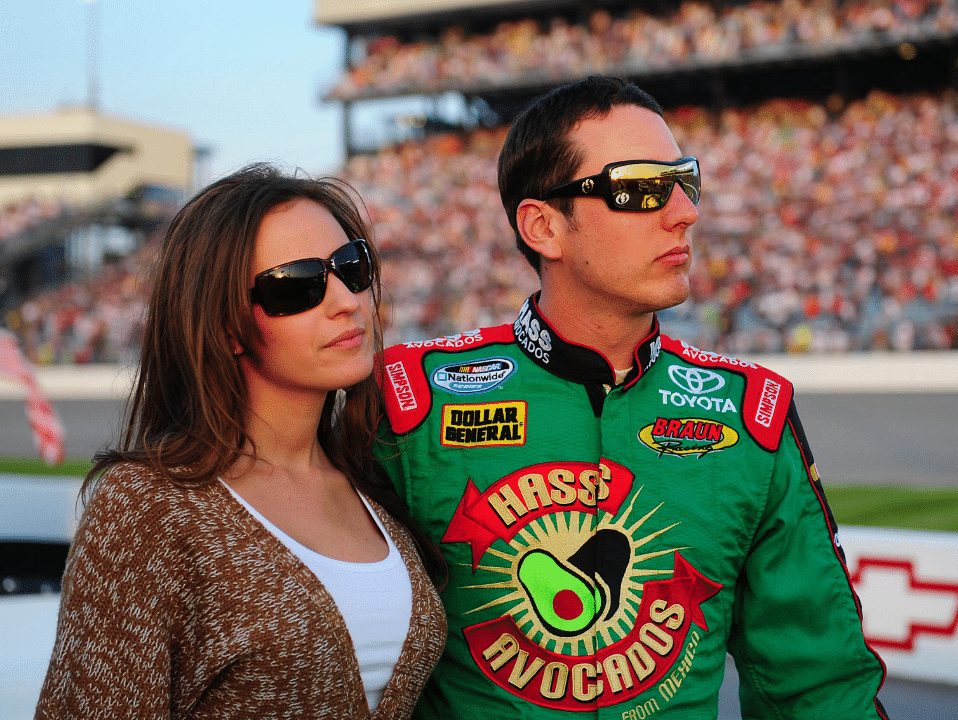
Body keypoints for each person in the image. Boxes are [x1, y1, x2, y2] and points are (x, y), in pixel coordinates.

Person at [379, 77, 889, 717]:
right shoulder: (409, 404)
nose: (684, 211)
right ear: (544, 227)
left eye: (686, 181)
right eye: (642, 188)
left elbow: (818, 686)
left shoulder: (750, 412)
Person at [36, 164, 448, 719]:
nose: (347, 300)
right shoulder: (147, 508)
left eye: (353, 267)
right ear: (225, 326)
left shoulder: (374, 475)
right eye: (297, 286)